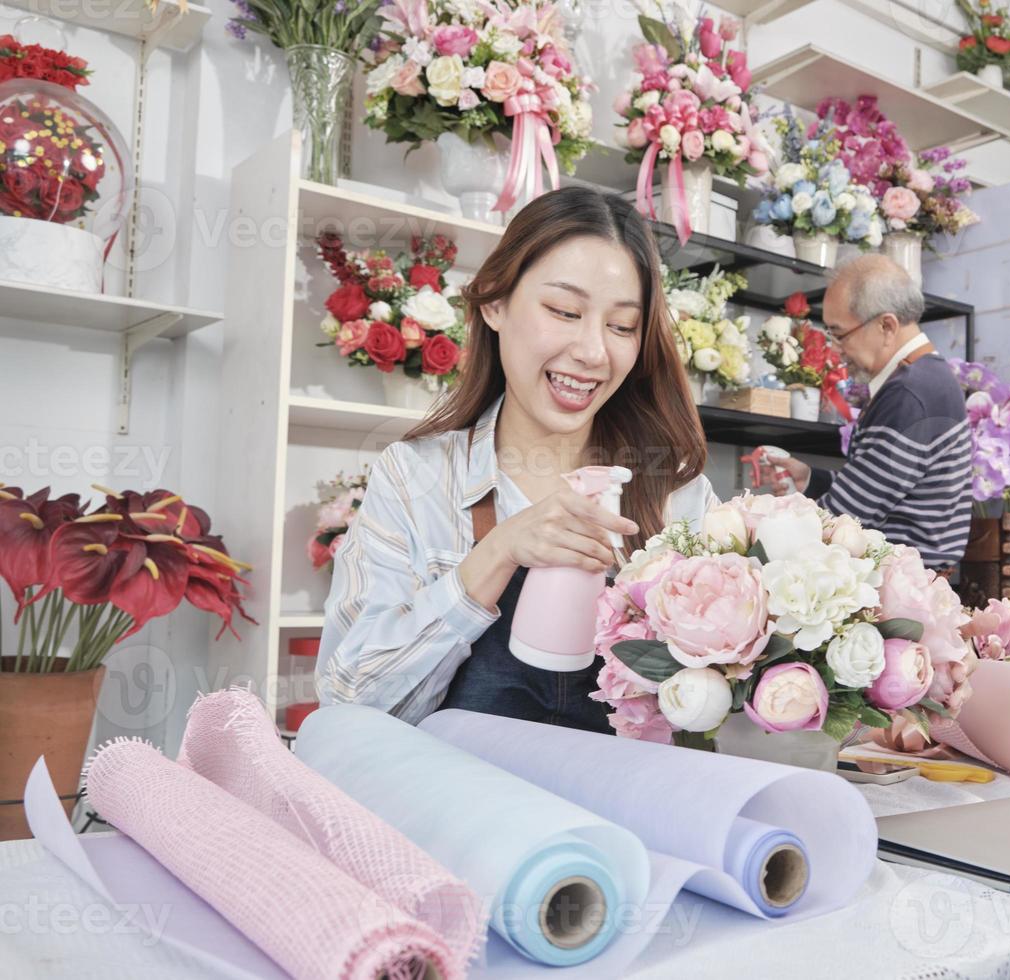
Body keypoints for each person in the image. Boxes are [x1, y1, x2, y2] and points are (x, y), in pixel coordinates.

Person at [316, 186, 718, 732]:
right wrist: (497, 553)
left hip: (618, 811)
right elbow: (350, 704)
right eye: (564, 311)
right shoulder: (417, 477)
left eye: (622, 326)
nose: (593, 352)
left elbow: (717, 714)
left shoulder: (676, 494)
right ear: (495, 304)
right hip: (464, 812)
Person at [759, 254, 969, 571]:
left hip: (896, 588)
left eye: (839, 333)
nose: (835, 348)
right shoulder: (926, 380)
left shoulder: (909, 394)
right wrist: (811, 480)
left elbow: (844, 519)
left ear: (887, 325)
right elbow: (884, 490)